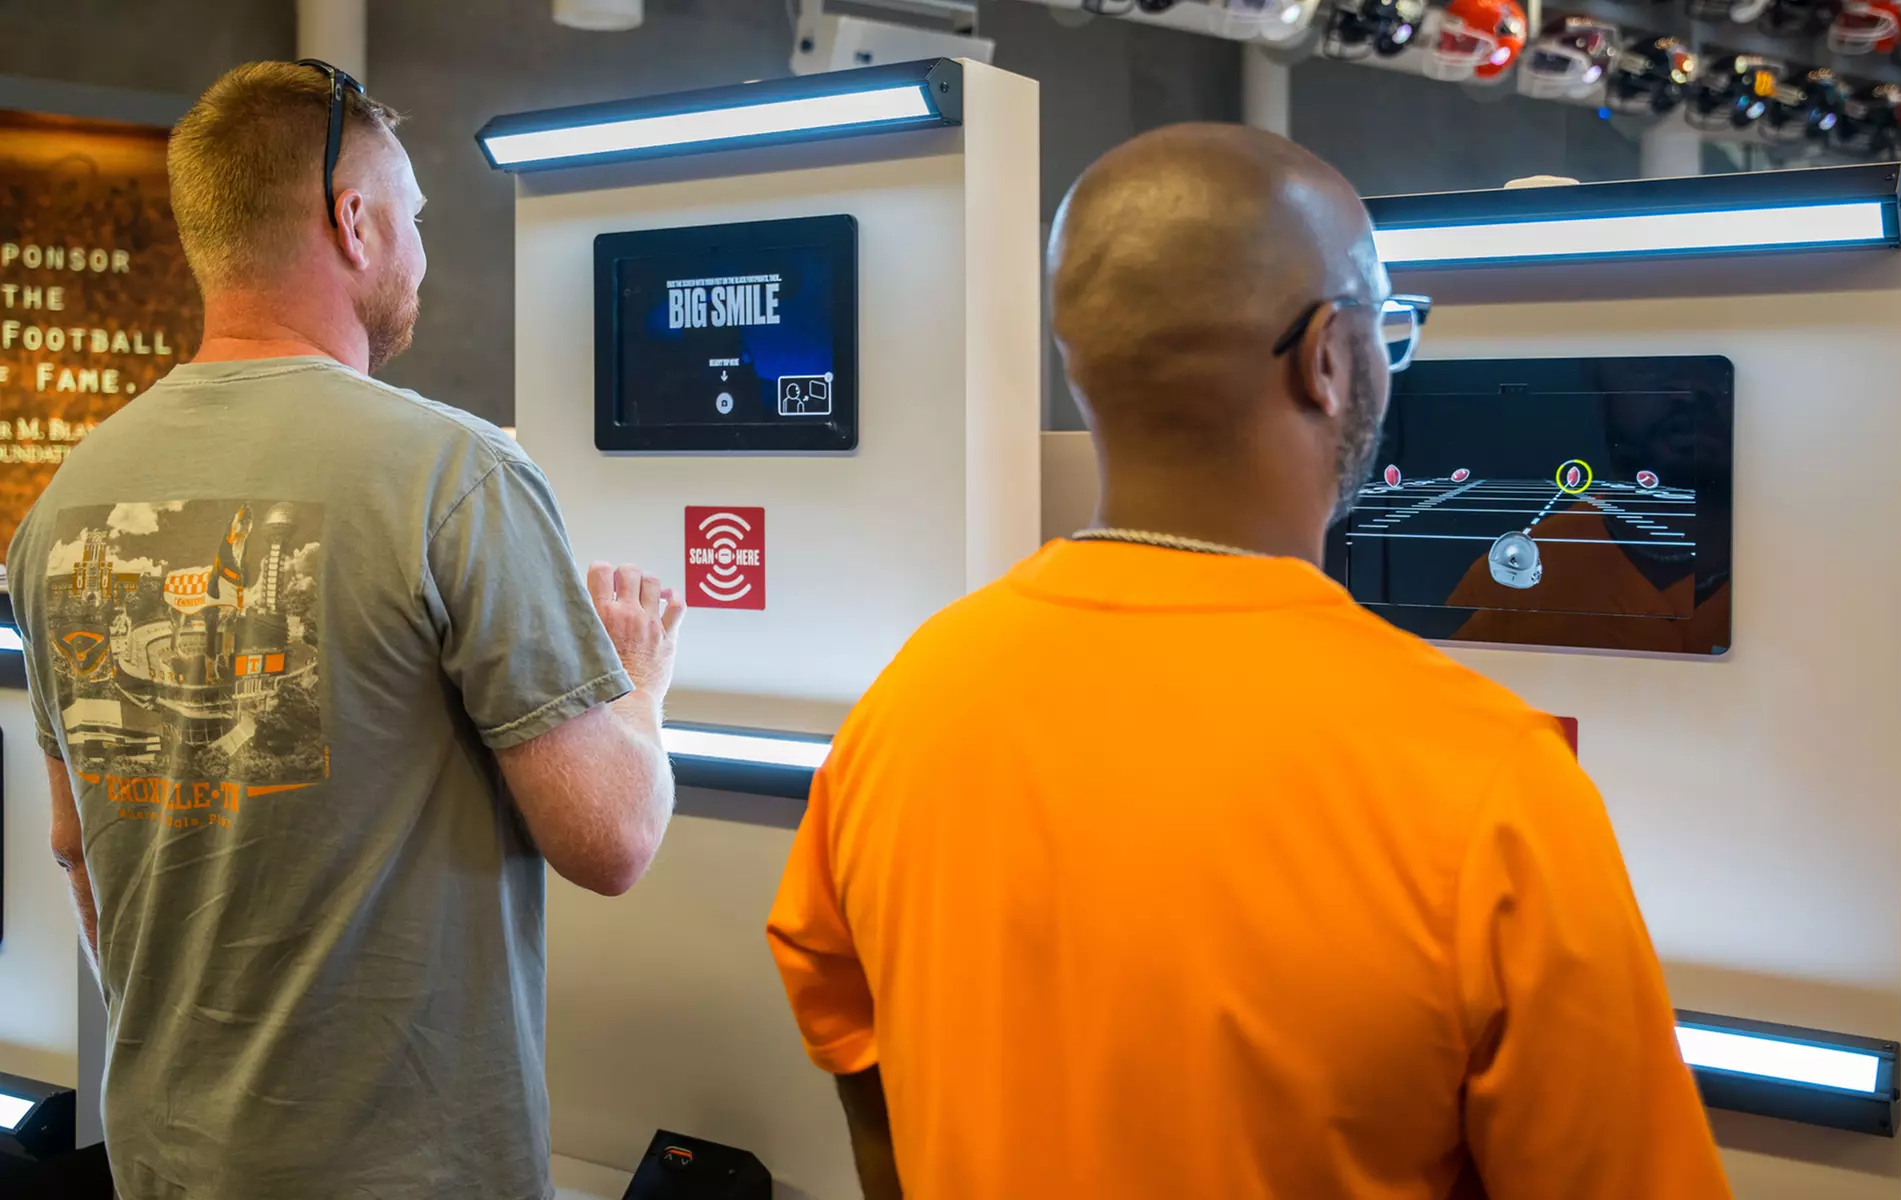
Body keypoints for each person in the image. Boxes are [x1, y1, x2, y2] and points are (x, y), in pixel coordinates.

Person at [767, 123, 1733, 1200]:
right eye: (1385, 330)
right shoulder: (1490, 785)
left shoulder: (910, 702)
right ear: (1328, 358)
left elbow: (857, 1058)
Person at [9, 62, 683, 1200]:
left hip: (166, 1156)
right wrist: (635, 685)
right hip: (408, 1173)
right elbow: (610, 839)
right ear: (351, 221)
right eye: (415, 218)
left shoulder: (64, 505)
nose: (423, 252)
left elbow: (77, 846)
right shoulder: (456, 473)